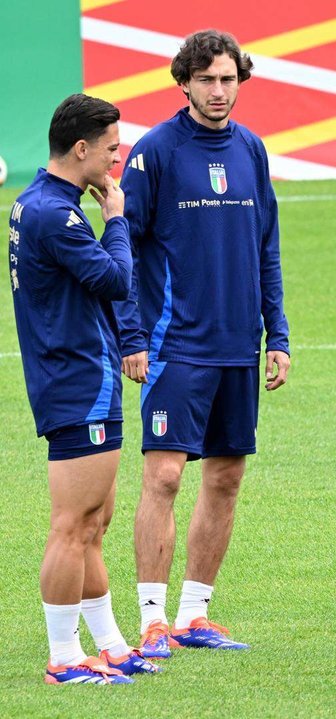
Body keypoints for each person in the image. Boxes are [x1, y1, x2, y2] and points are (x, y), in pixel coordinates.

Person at [117, 29, 291, 656]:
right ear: (184, 81)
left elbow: (265, 247)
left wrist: (279, 333)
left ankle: (195, 615)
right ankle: (151, 620)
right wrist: (131, 335)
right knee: (163, 477)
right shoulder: (155, 152)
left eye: (229, 79)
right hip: (174, 346)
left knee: (225, 479)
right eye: (208, 80)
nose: (220, 91)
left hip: (240, 347)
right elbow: (125, 247)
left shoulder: (252, 149)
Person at [9, 94, 160, 684]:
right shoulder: (56, 214)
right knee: (72, 525)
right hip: (75, 381)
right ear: (81, 149)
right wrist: (117, 220)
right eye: (111, 149)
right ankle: (64, 657)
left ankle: (110, 643)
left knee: (95, 522)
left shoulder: (36, 203)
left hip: (78, 375)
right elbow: (115, 279)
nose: (116, 161)